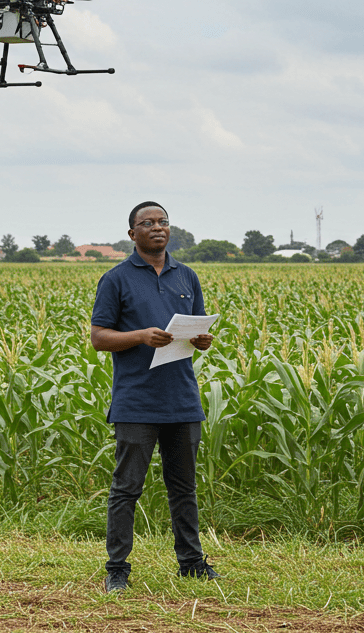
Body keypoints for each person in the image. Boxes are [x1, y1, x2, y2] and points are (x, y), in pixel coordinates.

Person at [89, 202, 220, 593]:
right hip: (137, 401)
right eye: (147, 223)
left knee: (184, 487)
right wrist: (141, 336)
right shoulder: (116, 279)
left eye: (163, 222)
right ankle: (117, 569)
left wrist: (202, 341)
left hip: (182, 398)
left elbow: (195, 328)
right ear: (133, 234)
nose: (157, 228)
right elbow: (99, 338)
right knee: (127, 487)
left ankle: (192, 563)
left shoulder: (187, 276)